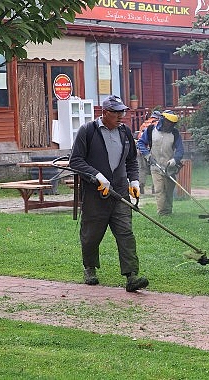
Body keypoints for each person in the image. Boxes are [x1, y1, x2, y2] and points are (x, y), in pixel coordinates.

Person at [69, 94, 149, 292]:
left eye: (122, 112)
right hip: (96, 193)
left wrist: (135, 181)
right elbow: (76, 161)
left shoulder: (125, 132)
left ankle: (131, 276)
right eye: (116, 112)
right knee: (91, 234)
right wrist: (96, 175)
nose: (121, 116)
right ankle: (90, 268)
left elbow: (131, 160)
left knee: (125, 233)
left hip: (120, 192)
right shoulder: (88, 131)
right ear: (104, 113)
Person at [136, 110, 184, 216]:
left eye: (172, 123)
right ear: (163, 120)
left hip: (170, 167)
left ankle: (168, 210)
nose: (170, 125)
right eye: (168, 122)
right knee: (159, 190)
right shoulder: (150, 130)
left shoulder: (174, 133)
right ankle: (162, 213)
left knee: (168, 191)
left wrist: (174, 160)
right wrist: (148, 156)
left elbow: (180, 150)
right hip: (155, 166)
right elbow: (141, 143)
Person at [135, 110, 161, 194]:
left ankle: (141, 187)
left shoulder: (144, 124)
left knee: (141, 169)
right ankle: (155, 189)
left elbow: (139, 137)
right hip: (152, 150)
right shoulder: (157, 124)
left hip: (140, 150)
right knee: (155, 169)